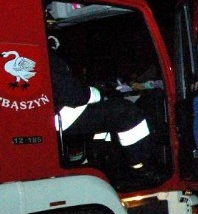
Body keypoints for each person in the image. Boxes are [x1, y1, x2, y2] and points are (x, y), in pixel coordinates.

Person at [49, 36, 155, 179]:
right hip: (59, 117)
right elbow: (75, 95)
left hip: (49, 114)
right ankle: (140, 165)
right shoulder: (48, 59)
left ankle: (99, 162)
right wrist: (99, 93)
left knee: (103, 118)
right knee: (125, 111)